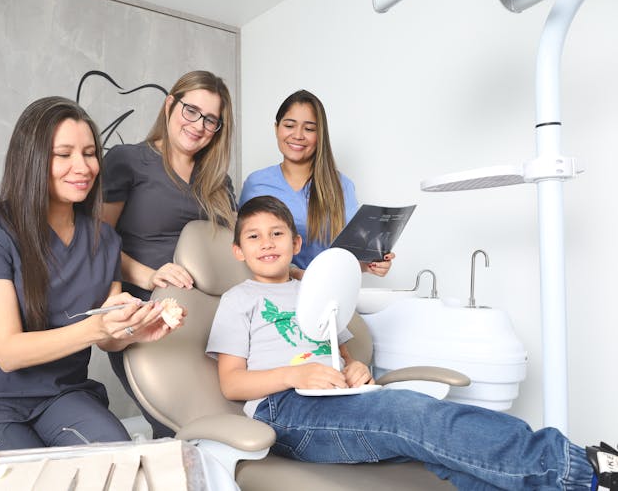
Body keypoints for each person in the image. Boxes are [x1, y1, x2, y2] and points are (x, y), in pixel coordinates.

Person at [206, 195, 618, 491]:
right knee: (410, 413)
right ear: (238, 251)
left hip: (338, 395)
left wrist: (353, 367)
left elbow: (339, 350)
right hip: (285, 410)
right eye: (255, 237)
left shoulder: (315, 289)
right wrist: (296, 374)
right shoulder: (238, 299)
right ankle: (582, 469)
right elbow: (232, 383)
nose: (267, 243)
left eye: (278, 233)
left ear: (296, 245)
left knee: (448, 452)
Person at [0, 96, 179, 455]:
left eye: (90, 153)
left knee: (118, 460)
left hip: (60, 396)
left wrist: (132, 330)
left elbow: (107, 333)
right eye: (63, 154)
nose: (83, 166)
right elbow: (8, 352)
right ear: (31, 158)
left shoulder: (104, 238)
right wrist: (98, 328)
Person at [100, 70, 236, 437]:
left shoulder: (218, 182)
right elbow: (97, 241)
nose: (199, 125)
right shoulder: (127, 161)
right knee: (176, 426)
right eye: (191, 110)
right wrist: (148, 275)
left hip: (212, 320)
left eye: (211, 119)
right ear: (170, 105)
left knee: (228, 424)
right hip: (149, 312)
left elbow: (233, 249)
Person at [239, 89, 394, 280]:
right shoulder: (256, 184)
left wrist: (372, 264)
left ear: (320, 135)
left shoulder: (342, 186)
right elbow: (244, 249)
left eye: (309, 129)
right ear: (276, 128)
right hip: (274, 292)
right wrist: (296, 274)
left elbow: (351, 254)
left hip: (329, 290)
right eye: (289, 125)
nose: (298, 135)